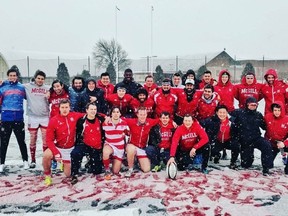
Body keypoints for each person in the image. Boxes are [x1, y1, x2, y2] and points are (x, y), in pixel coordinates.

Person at [42, 99, 84, 186]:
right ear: (59, 108)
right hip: (58, 147)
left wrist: (106, 117)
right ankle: (47, 176)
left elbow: (90, 114)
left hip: (70, 149)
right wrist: (56, 152)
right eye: (62, 107)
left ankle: (63, 163)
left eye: (66, 107)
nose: (64, 109)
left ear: (69, 108)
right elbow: (49, 140)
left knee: (68, 175)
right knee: (46, 155)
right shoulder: (54, 120)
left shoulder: (74, 116)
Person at [231, 97, 273, 176]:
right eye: (251, 105)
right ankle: (244, 160)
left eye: (255, 105)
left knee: (266, 145)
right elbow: (227, 115)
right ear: (247, 105)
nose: (253, 106)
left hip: (256, 138)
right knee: (246, 164)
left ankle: (266, 168)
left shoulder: (258, 115)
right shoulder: (239, 113)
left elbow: (265, 126)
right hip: (244, 141)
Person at [0, 68, 29, 172]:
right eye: (10, 75)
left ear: (17, 76)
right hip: (5, 119)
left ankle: (25, 161)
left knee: (21, 141)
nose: (12, 77)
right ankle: (2, 163)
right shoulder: (2, 87)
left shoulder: (22, 87)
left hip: (18, 118)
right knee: (4, 142)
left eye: (14, 75)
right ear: (8, 76)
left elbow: (30, 98)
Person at [70, 102, 105, 184]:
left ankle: (90, 162)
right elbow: (78, 134)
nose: (93, 111)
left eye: (95, 109)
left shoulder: (100, 119)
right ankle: (74, 173)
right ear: (87, 110)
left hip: (96, 147)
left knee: (97, 171)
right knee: (75, 153)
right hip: (84, 144)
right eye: (91, 109)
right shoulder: (82, 121)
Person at [24, 70, 50, 168]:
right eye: (38, 78)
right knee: (33, 139)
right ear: (35, 78)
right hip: (33, 117)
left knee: (46, 140)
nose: (40, 80)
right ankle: (33, 160)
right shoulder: (27, 86)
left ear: (44, 80)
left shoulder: (48, 88)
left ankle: (45, 159)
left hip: (44, 117)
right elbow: (16, 84)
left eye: (42, 79)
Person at [200, 105, 240, 169]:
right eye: (220, 112)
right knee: (210, 149)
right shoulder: (212, 120)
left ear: (227, 113)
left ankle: (233, 162)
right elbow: (201, 123)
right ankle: (217, 155)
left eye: (224, 112)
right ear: (216, 113)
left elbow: (238, 130)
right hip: (217, 141)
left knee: (236, 145)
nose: (222, 114)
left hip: (228, 141)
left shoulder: (232, 121)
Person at [124, 107, 159, 177]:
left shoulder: (149, 122)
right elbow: (119, 119)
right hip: (132, 145)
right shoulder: (132, 122)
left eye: (144, 114)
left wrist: (172, 122)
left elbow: (161, 120)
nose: (142, 116)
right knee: (131, 149)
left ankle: (137, 161)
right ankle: (130, 168)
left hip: (142, 148)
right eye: (141, 114)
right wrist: (108, 118)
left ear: (146, 115)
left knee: (146, 169)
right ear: (137, 115)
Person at [102, 107, 129, 180]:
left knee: (115, 171)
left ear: (120, 114)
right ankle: (107, 169)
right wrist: (105, 117)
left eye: (117, 112)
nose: (116, 114)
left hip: (119, 147)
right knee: (105, 152)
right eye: (114, 112)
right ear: (111, 114)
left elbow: (128, 134)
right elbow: (98, 114)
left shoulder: (124, 123)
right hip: (110, 144)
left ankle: (115, 160)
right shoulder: (105, 123)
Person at [264, 101, 288, 174]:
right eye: (275, 110)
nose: (277, 112)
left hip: (283, 144)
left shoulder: (287, 119)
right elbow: (259, 123)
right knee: (268, 165)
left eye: (279, 110)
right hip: (271, 143)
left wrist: (284, 143)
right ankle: (267, 164)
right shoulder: (267, 117)